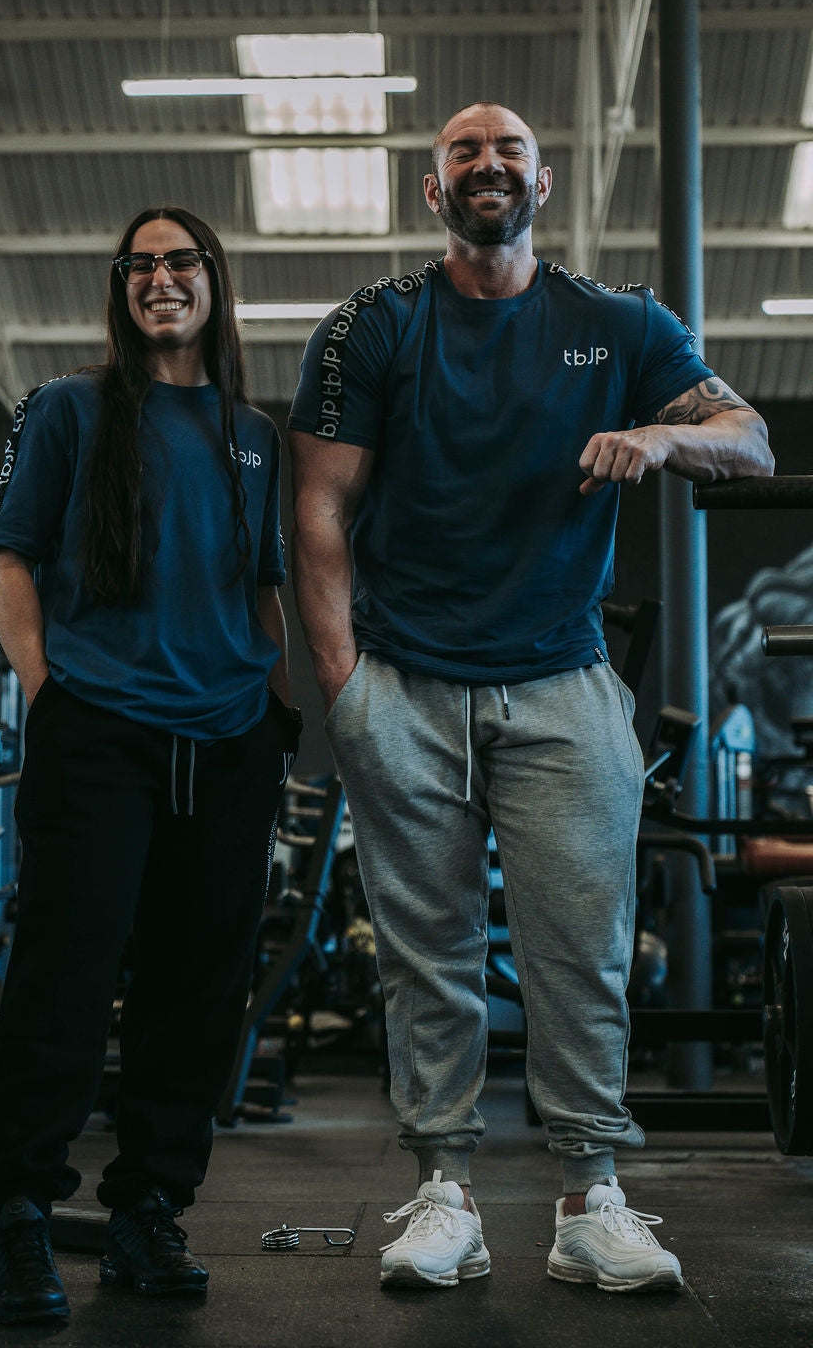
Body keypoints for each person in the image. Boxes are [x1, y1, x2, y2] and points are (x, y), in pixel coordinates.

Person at [288, 102, 773, 1294]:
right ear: (431, 189)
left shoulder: (616, 324)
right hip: (404, 682)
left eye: (507, 152)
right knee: (426, 952)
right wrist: (346, 690)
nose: (487, 167)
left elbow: (748, 439)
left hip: (560, 682)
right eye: (464, 154)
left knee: (581, 952)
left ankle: (588, 1197)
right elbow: (316, 511)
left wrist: (663, 446)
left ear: (541, 184)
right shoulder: (371, 326)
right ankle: (444, 1191)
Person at [0, 205, 300, 1324]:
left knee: (194, 991)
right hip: (98, 725)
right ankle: (17, 1213)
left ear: (214, 281)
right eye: (140, 265)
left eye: (181, 262)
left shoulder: (256, 436)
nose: (161, 279)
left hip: (230, 739)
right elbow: (10, 559)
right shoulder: (68, 411)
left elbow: (267, 589)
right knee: (65, 974)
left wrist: (283, 713)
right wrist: (45, 688)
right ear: (122, 288)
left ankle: (148, 1208)